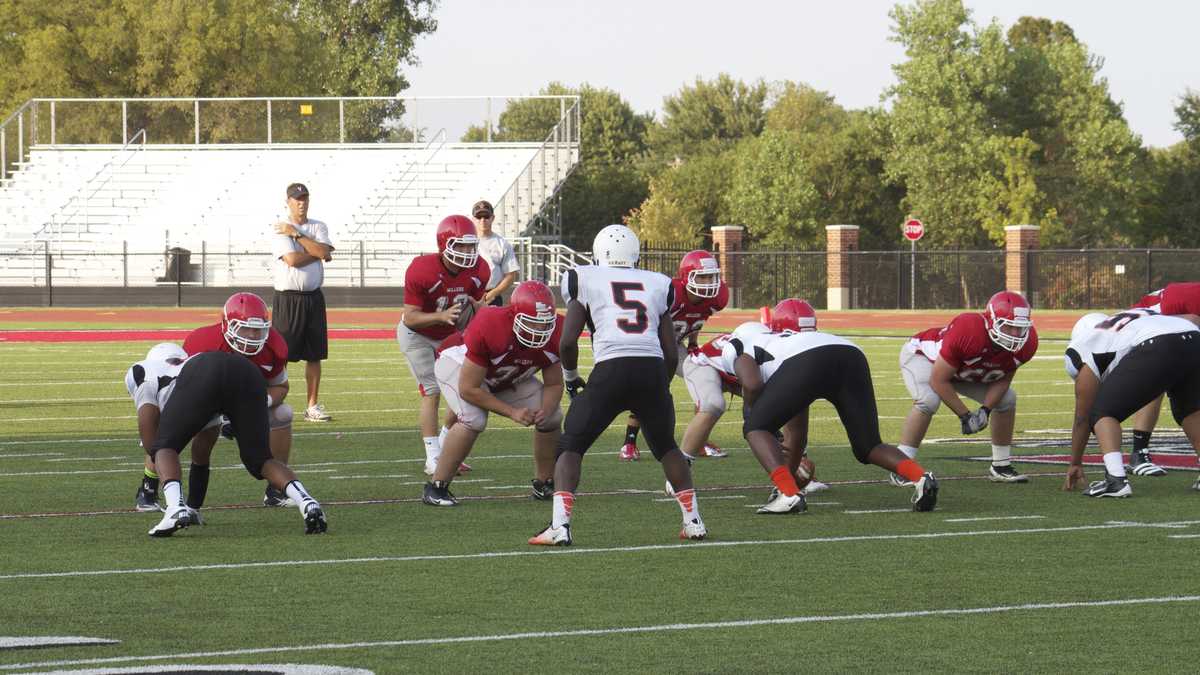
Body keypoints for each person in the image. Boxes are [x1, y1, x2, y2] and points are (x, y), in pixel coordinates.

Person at [529, 224, 706, 546]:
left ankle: (560, 526)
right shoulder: (658, 283)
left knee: (571, 446)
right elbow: (669, 351)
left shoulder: (584, 278)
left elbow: (567, 342)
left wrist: (570, 379)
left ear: (599, 253)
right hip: (651, 367)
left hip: (611, 367)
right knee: (666, 446)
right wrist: (657, 388)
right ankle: (693, 522)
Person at [724, 323, 939, 513]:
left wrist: (751, 414)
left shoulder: (738, 346)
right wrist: (788, 479)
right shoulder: (782, 343)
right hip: (850, 353)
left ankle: (788, 496)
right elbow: (797, 433)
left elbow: (751, 385)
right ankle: (921, 478)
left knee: (755, 428)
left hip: (808, 361)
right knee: (869, 445)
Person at [139, 350, 328, 537]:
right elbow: (202, 451)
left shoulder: (144, 371)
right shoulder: (187, 365)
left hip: (204, 379)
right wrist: (194, 507)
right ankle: (306, 501)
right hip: (248, 373)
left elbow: (149, 428)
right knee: (261, 460)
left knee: (164, 446)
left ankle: (174, 509)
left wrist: (157, 449)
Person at [424, 280, 564, 506]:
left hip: (505, 372)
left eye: (545, 323)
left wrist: (545, 411)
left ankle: (544, 483)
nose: (539, 330)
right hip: (457, 362)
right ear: (514, 315)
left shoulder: (559, 330)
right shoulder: (492, 324)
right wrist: (512, 412)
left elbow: (554, 384)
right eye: (531, 322)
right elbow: (469, 389)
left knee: (553, 416)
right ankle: (436, 487)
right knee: (473, 419)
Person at [895, 290, 1038, 486]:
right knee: (928, 401)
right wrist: (965, 415)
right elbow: (939, 380)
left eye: (1019, 328)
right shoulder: (969, 329)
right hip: (925, 358)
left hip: (963, 369)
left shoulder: (1028, 343)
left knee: (1007, 399)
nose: (1015, 335)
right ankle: (900, 467)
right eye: (1008, 327)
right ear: (991, 322)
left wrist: (985, 410)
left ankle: (1001, 466)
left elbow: (1003, 379)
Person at [1062, 309, 1200, 496]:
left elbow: (1082, 416)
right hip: (1193, 336)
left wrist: (1075, 462)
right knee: (1189, 411)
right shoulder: (1127, 323)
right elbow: (1189, 319)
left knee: (1101, 413)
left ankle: (1116, 481)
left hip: (1158, 343)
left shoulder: (1084, 345)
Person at [181, 292, 296, 507]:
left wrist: (257, 405)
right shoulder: (202, 342)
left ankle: (276, 490)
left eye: (258, 329)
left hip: (250, 402)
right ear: (227, 325)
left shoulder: (274, 345)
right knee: (171, 429)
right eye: (246, 328)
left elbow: (280, 387)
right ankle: (154, 486)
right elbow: (185, 390)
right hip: (208, 402)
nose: (253, 335)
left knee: (283, 413)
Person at [398, 215, 491, 474]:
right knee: (431, 390)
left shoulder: (480, 269)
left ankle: (443, 445)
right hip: (417, 333)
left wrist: (480, 312)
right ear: (444, 244)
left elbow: (475, 303)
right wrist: (440, 316)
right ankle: (432, 457)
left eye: (470, 246)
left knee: (462, 389)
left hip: (452, 332)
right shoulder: (421, 268)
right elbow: (410, 316)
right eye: (459, 245)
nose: (466, 252)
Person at [619, 250, 729, 461]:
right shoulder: (671, 293)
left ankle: (699, 441)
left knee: (707, 380)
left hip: (675, 346)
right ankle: (629, 443)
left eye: (711, 276)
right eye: (702, 277)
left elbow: (697, 318)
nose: (708, 282)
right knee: (649, 390)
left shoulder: (716, 297)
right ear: (686, 277)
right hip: (651, 346)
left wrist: (694, 342)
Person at [127, 343, 220, 512]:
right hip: (172, 400)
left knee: (194, 450)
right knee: (160, 444)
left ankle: (185, 504)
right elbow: (153, 444)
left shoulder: (197, 381)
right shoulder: (148, 380)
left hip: (194, 400)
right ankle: (153, 494)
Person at [271, 182, 335, 423]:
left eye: (305, 198)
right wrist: (317, 251)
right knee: (281, 354)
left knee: (315, 354)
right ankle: (276, 401)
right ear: (287, 201)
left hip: (313, 297)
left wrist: (297, 235)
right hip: (288, 299)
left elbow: (325, 253)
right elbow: (292, 259)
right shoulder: (280, 227)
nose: (302, 202)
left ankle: (312, 405)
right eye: (297, 198)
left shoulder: (317, 226)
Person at [1123, 282, 1200, 475]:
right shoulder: (1191, 297)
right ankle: (1138, 454)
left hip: (1170, 336)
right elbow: (1175, 320)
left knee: (1189, 397)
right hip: (1137, 332)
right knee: (1161, 381)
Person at [471, 200, 520, 306]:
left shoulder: (502, 243)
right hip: (469, 296)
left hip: (493, 297)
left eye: (486, 216)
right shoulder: (465, 242)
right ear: (473, 219)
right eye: (479, 217)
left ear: (492, 218)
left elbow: (511, 275)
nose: (483, 220)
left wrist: (493, 293)